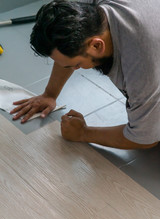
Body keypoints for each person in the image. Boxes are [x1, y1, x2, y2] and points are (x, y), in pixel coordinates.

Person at [10, 0, 160, 149]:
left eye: (76, 65)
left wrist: (83, 133)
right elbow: (66, 47)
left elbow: (144, 138)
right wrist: (50, 94)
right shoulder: (80, 9)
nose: (74, 68)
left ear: (96, 45)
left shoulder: (142, 67)